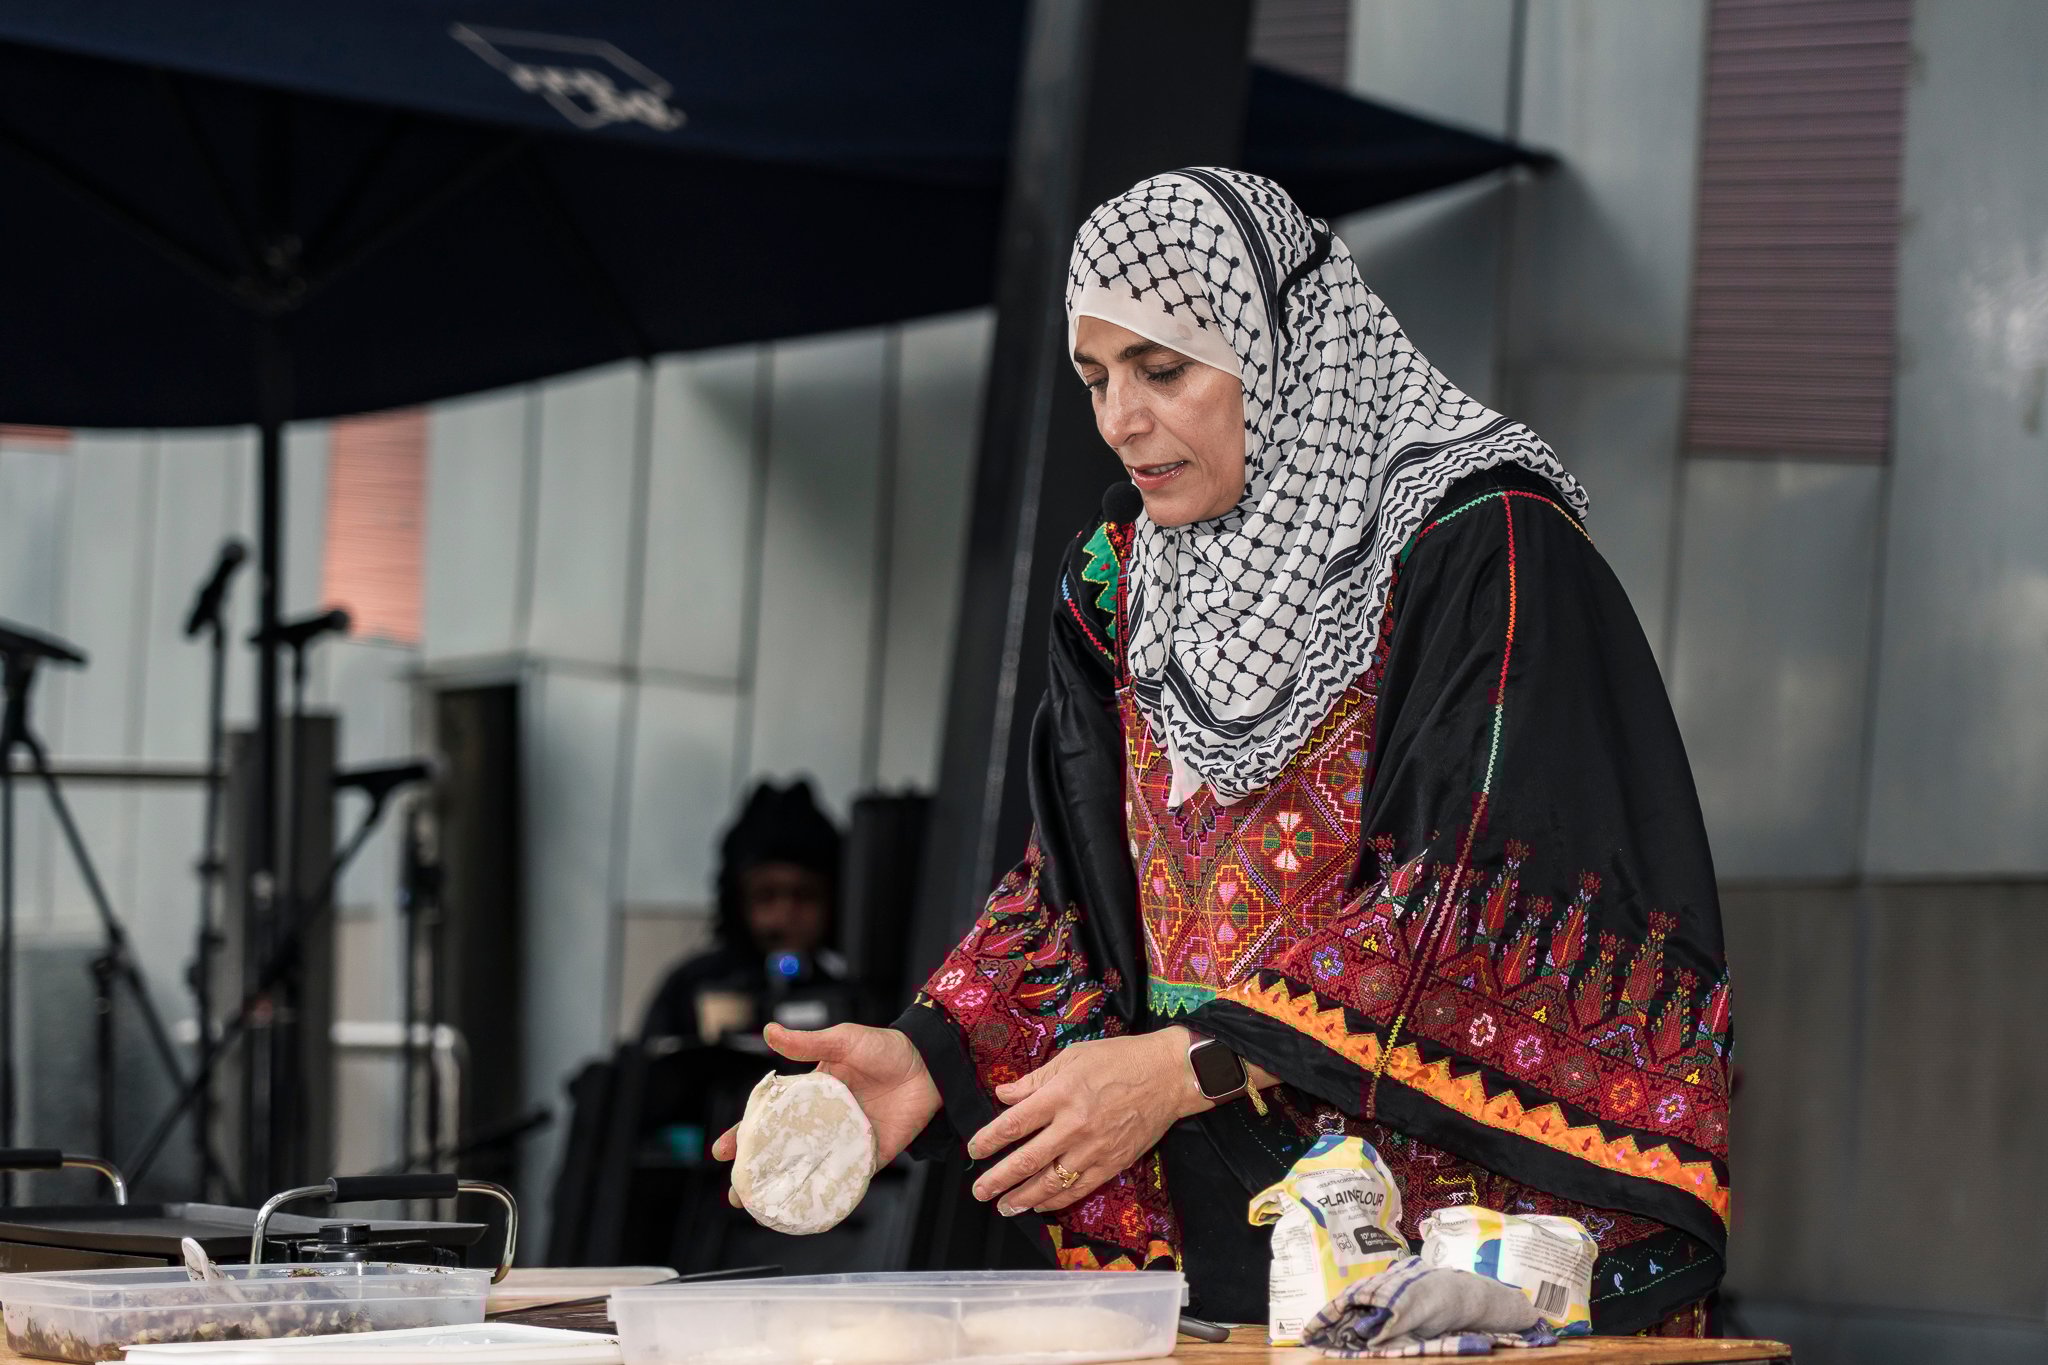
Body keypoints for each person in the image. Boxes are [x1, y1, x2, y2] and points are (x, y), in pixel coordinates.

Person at [712, 169, 1731, 1334]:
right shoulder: (1117, 583)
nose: (1119, 420)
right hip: (1209, 1238)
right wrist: (932, 1055)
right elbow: (1074, 894)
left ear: (1285, 350)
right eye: (1094, 377)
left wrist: (1181, 1067)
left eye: (1162, 369)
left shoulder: (1478, 551)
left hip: (1445, 1248)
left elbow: (1474, 898)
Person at [641, 779, 852, 1044]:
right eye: (766, 895)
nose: (785, 913)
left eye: (804, 895)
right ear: (739, 900)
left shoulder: (854, 989)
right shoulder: (693, 986)